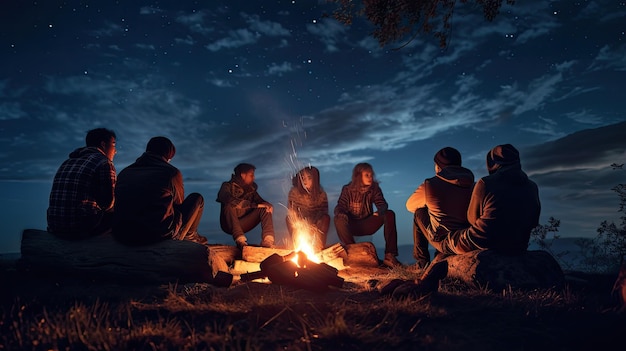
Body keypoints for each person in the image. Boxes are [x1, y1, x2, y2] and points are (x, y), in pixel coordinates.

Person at [441, 144, 541, 254]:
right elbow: (534, 220)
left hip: (482, 241)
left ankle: (427, 265)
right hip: (518, 245)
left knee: (445, 241)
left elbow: (472, 218)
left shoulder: (485, 183)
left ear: (492, 162)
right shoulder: (532, 186)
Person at [112, 136, 207, 245]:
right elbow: (179, 204)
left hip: (122, 234)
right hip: (156, 236)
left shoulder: (125, 172)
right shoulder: (171, 173)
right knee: (197, 198)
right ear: (168, 155)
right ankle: (189, 237)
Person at [405, 147, 475, 268]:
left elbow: (410, 205)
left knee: (419, 212)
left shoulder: (431, 184)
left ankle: (422, 262)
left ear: (438, 166)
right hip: (466, 237)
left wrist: (430, 203)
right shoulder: (473, 184)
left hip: (443, 240)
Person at [47, 127, 117, 239]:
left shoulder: (68, 161)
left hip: (55, 226)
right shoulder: (104, 162)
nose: (115, 150)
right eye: (113, 144)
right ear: (103, 144)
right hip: (80, 228)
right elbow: (108, 204)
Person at [334, 162, 402, 268]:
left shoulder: (374, 188)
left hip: (366, 224)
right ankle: (353, 252)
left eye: (371, 175)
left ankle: (390, 255)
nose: (370, 177)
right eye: (367, 175)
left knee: (389, 214)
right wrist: (341, 214)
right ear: (358, 176)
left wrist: (380, 211)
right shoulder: (347, 189)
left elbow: (382, 204)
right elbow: (340, 206)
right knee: (338, 219)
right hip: (351, 225)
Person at [217, 163, 275, 249]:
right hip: (229, 223)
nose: (254, 177)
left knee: (265, 208)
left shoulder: (251, 190)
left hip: (244, 222)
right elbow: (226, 198)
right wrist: (251, 205)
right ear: (243, 175)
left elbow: (260, 201)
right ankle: (240, 241)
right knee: (229, 204)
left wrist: (267, 204)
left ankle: (268, 241)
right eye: (251, 175)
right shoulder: (227, 186)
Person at [286, 166, 330, 252]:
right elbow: (292, 211)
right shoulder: (294, 192)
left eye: (309, 178)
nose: (305, 181)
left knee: (326, 219)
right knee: (289, 219)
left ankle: (319, 247)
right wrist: (302, 224)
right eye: (303, 178)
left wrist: (313, 225)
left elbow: (323, 211)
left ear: (315, 179)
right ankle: (298, 246)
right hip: (300, 223)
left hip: (315, 222)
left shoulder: (321, 194)